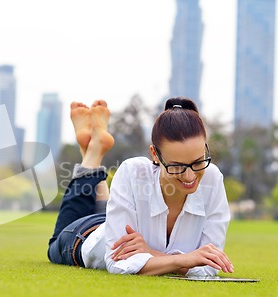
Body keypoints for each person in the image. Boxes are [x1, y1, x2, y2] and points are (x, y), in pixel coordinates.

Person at [47, 98, 234, 276]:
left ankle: (91, 148)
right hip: (86, 236)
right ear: (154, 154)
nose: (189, 176)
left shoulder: (212, 178)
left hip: (114, 221)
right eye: (176, 166)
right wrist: (184, 261)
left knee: (106, 211)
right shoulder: (133, 171)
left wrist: (151, 252)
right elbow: (117, 262)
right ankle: (93, 151)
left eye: (198, 162)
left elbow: (209, 266)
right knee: (54, 244)